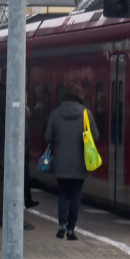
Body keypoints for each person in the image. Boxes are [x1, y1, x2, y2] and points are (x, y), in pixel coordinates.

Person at [44, 82, 96, 241]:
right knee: (75, 195)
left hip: (61, 161)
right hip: (80, 162)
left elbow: (47, 137)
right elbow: (96, 136)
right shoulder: (86, 114)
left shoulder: (55, 113)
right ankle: (71, 229)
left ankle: (61, 225)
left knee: (63, 194)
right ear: (79, 95)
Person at [0, 78, 34, 231]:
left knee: (1, 181)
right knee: (13, 181)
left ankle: (0, 216)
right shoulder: (12, 95)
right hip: (10, 148)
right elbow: (19, 123)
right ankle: (13, 218)